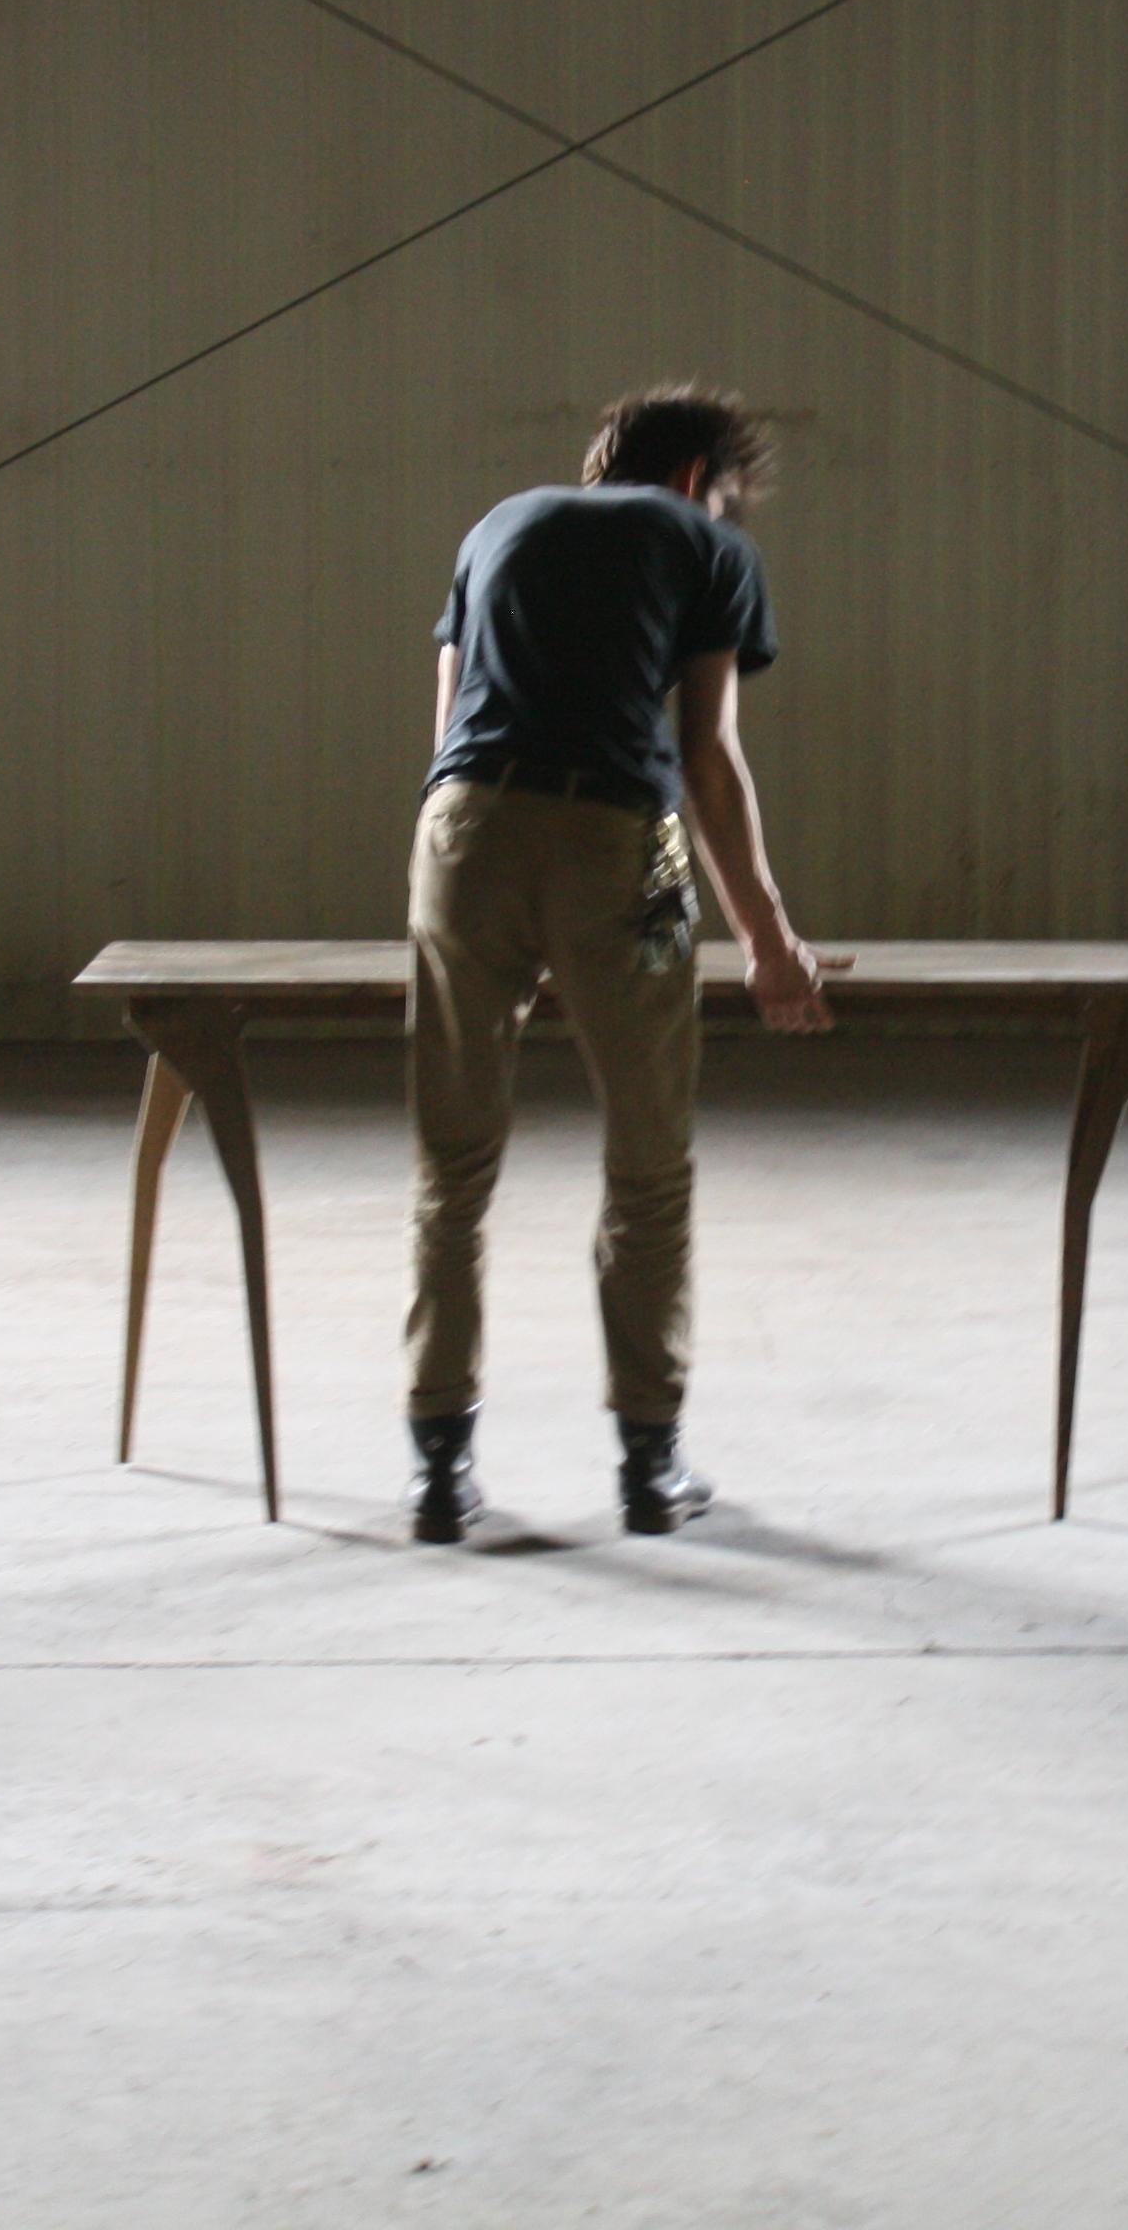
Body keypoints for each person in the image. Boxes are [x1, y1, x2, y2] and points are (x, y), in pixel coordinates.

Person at [400, 385, 841, 1542]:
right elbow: (709, 763)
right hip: (619, 847)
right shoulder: (705, 546)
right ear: (701, 478)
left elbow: (451, 732)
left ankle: (440, 1475)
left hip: (460, 837)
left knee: (453, 1169)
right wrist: (771, 943)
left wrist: (517, 923)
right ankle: (651, 1470)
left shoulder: (495, 526)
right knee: (650, 1167)